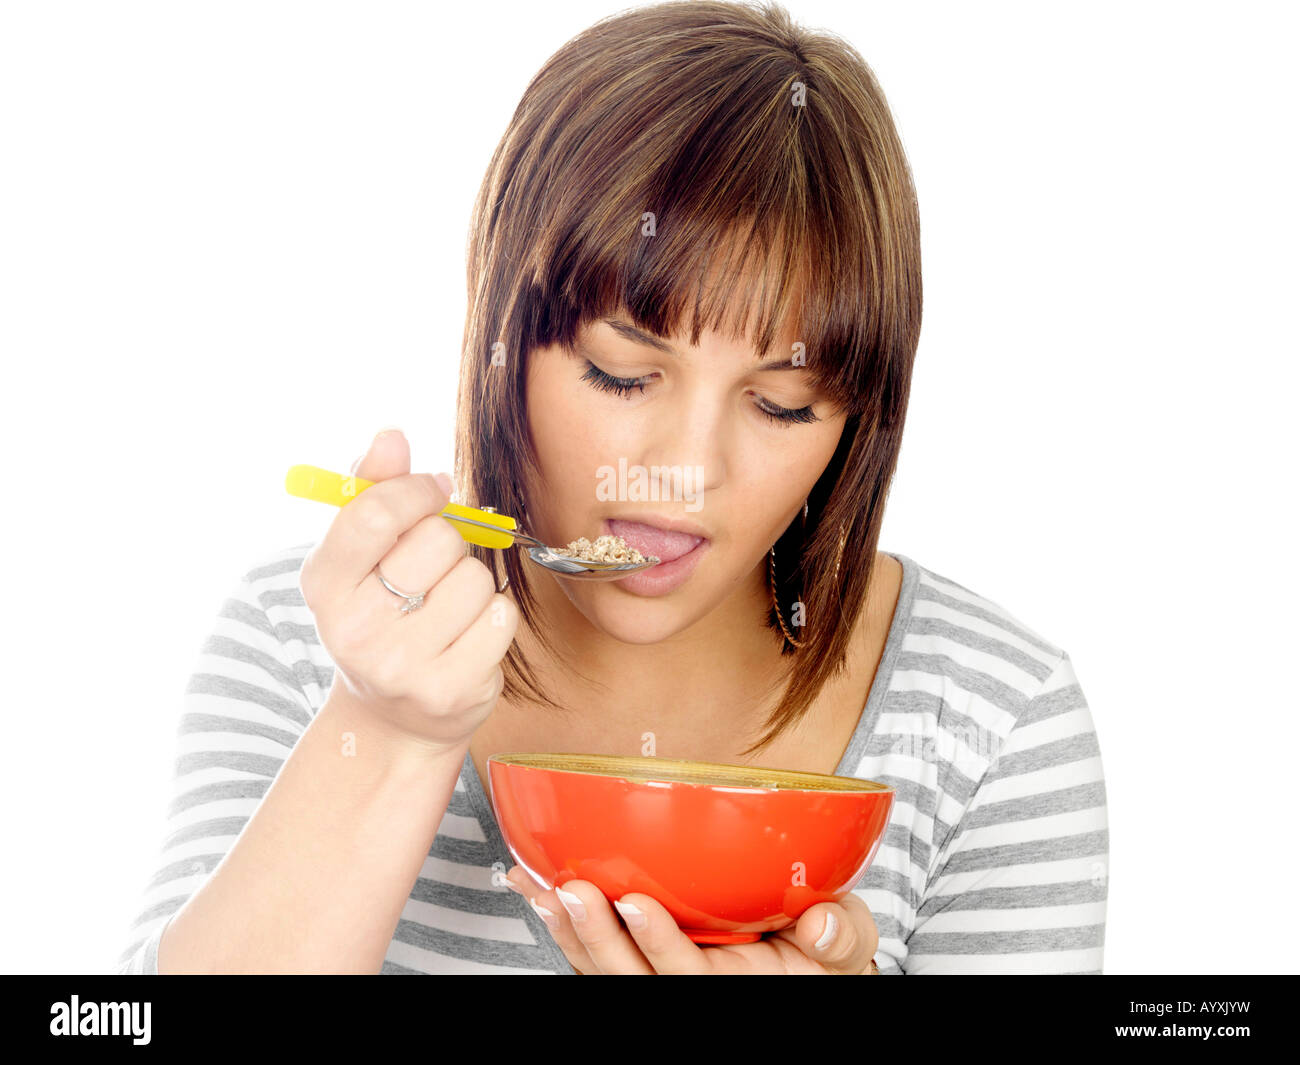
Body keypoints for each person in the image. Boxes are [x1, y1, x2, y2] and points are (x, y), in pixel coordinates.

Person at [118, 0, 1108, 975]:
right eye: (621, 375)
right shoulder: (309, 646)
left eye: (784, 406)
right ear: (505, 339)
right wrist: (385, 732)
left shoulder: (992, 718)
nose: (688, 468)